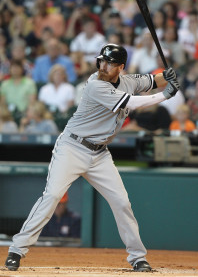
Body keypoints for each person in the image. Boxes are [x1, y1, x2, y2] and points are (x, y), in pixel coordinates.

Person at [5, 43, 179, 272]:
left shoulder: (128, 81)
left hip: (99, 154)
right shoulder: (95, 85)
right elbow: (132, 102)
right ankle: (16, 250)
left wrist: (165, 76)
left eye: (109, 63)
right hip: (72, 147)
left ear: (120, 67)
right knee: (52, 196)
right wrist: (165, 95)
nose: (103, 66)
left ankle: (138, 257)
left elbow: (150, 80)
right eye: (102, 61)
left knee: (121, 202)